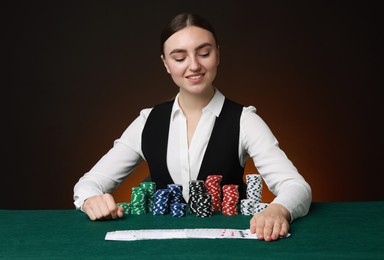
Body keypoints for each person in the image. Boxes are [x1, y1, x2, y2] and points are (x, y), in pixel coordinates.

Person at [73, 13, 312, 242]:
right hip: (160, 249)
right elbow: (88, 184)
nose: (194, 65)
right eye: (179, 58)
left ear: (217, 54)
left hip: (226, 248)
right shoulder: (148, 121)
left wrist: (279, 210)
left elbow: (296, 186)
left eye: (204, 53)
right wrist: (91, 200)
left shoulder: (244, 120)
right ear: (166, 64)